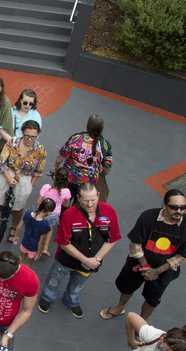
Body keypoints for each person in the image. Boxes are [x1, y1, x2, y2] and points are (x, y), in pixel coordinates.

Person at [37, 183, 121, 319]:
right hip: (66, 261)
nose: (90, 204)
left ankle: (71, 299)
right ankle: (47, 297)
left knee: (77, 285)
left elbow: (113, 238)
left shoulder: (109, 211)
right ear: (78, 198)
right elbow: (63, 243)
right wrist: (86, 260)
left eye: (93, 200)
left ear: (98, 196)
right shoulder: (69, 215)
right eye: (86, 200)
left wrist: (96, 259)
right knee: (54, 281)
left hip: (91, 263)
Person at [99, 189, 186, 320]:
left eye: (183, 207)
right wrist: (147, 268)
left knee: (152, 299)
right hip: (138, 263)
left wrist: (157, 271)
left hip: (164, 271)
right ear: (165, 205)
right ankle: (120, 307)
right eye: (174, 207)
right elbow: (135, 244)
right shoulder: (148, 217)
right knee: (127, 287)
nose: (179, 211)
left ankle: (142, 323)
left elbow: (181, 255)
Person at [0, 120, 46, 243]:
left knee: (18, 208)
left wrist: (30, 186)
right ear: (22, 133)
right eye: (27, 136)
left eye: (33, 137)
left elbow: (38, 171)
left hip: (24, 179)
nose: (30, 139)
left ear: (37, 135)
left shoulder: (40, 150)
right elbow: (2, 161)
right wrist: (8, 177)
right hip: (6, 174)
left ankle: (14, 226)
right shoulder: (12, 142)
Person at [55, 114, 112, 202]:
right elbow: (106, 169)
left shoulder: (76, 138)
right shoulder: (105, 145)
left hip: (69, 178)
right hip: (88, 184)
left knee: (64, 201)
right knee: (79, 207)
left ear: (87, 126)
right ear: (102, 129)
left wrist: (56, 169)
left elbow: (61, 156)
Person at [36, 167, 72, 256]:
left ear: (55, 177)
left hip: (43, 211)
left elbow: (38, 201)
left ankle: (36, 248)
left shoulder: (47, 187)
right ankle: (45, 248)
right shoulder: (66, 191)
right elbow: (66, 205)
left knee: (40, 231)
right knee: (49, 229)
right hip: (55, 214)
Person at [15, 198, 55, 263]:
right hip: (33, 248)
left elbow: (19, 227)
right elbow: (40, 241)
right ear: (49, 212)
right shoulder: (45, 225)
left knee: (21, 258)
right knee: (28, 265)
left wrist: (16, 236)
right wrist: (38, 253)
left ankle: (18, 268)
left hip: (24, 243)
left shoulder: (28, 213)